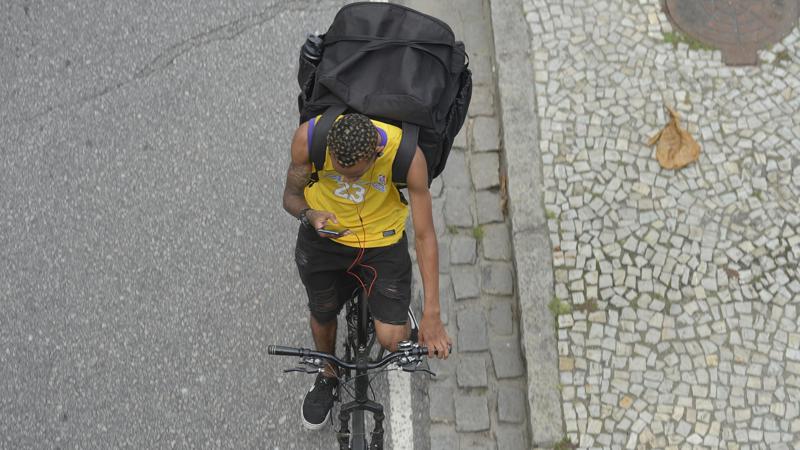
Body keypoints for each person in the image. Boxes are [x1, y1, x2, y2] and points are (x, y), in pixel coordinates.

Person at [282, 113, 451, 430]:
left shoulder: (406, 157)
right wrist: (309, 214)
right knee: (322, 310)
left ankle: (400, 316)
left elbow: (426, 235)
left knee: (392, 339)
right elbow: (289, 197)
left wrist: (432, 314)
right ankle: (328, 374)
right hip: (326, 239)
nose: (345, 183)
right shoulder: (310, 139)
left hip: (381, 243)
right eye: (339, 173)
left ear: (376, 154)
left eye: (355, 176)